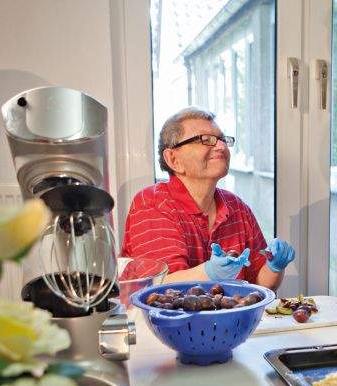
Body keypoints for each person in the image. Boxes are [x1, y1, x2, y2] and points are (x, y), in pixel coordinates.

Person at [121, 107, 295, 291]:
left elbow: (259, 285)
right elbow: (161, 288)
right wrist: (210, 273)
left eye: (222, 140)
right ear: (173, 159)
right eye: (206, 140)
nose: (221, 147)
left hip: (228, 318)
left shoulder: (237, 208)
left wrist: (274, 266)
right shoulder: (152, 203)